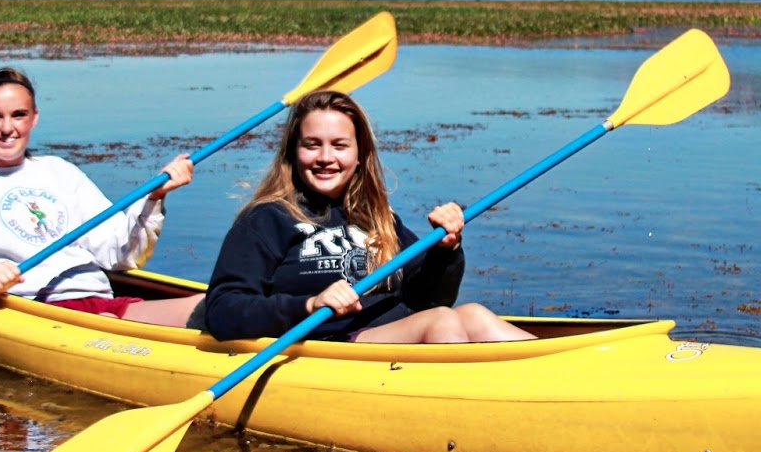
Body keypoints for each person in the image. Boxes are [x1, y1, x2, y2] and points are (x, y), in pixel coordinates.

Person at [196, 89, 532, 343]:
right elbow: (223, 310)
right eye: (312, 144)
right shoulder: (266, 219)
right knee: (443, 322)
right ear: (292, 153)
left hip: (393, 332)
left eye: (339, 145)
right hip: (334, 344)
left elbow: (429, 298)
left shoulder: (377, 216)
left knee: (473, 315)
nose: (325, 157)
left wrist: (446, 251)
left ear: (359, 155)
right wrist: (310, 304)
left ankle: (568, 379)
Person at [0, 66, 202, 326]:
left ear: (34, 118)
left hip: (98, 302)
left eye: (18, 115)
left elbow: (120, 255)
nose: (7, 129)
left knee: (209, 306)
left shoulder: (60, 172)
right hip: (29, 311)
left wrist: (154, 197)